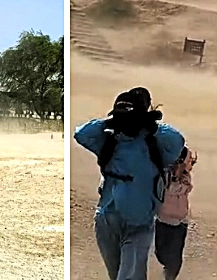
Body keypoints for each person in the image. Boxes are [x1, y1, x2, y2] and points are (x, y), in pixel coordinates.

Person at [75, 87, 185, 280]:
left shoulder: (155, 142)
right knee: (116, 273)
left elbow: (178, 142)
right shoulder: (109, 139)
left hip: (139, 223)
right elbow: (81, 134)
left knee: (129, 277)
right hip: (107, 219)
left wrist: (150, 124)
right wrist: (110, 121)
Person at [154, 145, 196, 280]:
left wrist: (179, 174)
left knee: (175, 258)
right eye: (189, 162)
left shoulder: (186, 178)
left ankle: (170, 276)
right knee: (160, 253)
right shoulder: (164, 176)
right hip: (162, 221)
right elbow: (169, 190)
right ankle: (167, 268)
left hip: (179, 224)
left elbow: (181, 189)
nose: (191, 165)